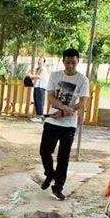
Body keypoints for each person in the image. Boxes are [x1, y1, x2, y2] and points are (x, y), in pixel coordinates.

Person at [40, 48, 90, 201]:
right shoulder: (55, 76)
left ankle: (58, 187)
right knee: (44, 151)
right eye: (67, 62)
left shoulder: (82, 80)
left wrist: (66, 112)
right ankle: (50, 174)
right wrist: (63, 108)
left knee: (63, 156)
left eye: (73, 63)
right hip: (52, 120)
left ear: (77, 62)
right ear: (63, 61)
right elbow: (51, 97)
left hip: (69, 124)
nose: (70, 66)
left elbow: (82, 102)